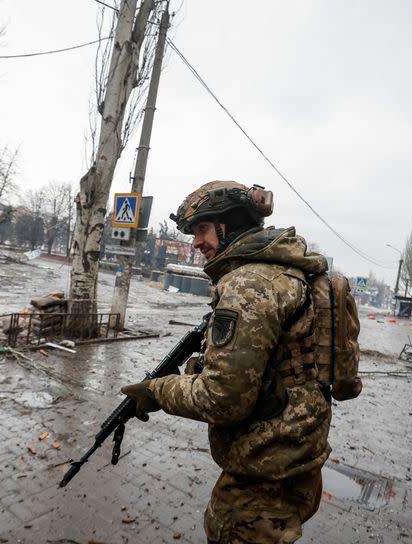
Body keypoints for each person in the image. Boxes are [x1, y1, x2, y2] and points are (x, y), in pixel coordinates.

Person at [121, 180, 332, 543]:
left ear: (229, 224)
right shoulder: (286, 271)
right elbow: (276, 365)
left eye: (201, 229)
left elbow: (222, 401)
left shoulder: (249, 285)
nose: (196, 242)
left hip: (263, 475)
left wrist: (157, 391)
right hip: (295, 457)